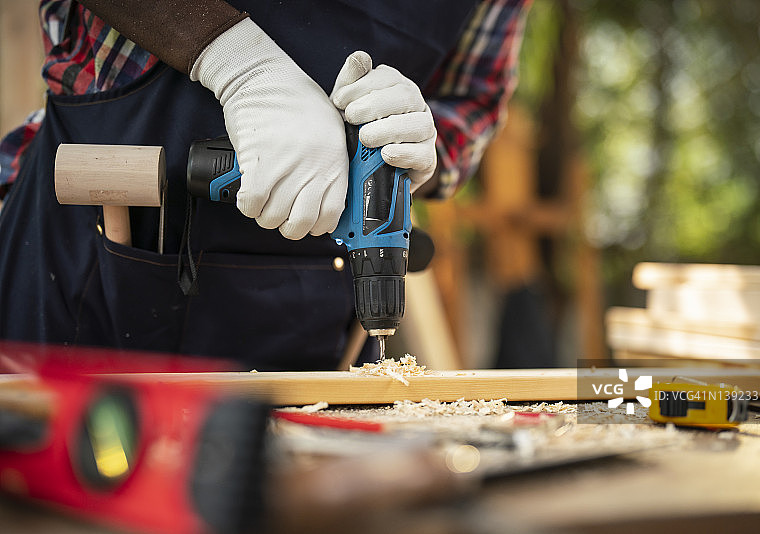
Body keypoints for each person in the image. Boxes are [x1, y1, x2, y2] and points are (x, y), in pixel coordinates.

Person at [0, 0, 532, 370]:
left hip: (325, 315)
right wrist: (240, 66)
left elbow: (471, 102)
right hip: (91, 269)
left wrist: (422, 146)